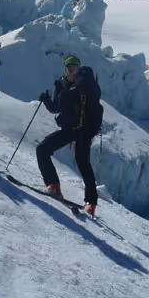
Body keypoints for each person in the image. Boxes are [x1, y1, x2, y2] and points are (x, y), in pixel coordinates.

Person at [38, 55, 104, 216]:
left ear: (79, 68)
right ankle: (53, 185)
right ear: (65, 68)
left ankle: (91, 203)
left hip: (84, 130)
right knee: (42, 149)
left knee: (83, 164)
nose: (71, 67)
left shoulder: (86, 84)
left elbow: (95, 99)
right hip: (68, 129)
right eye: (68, 65)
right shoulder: (61, 84)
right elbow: (56, 108)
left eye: (74, 65)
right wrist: (46, 100)